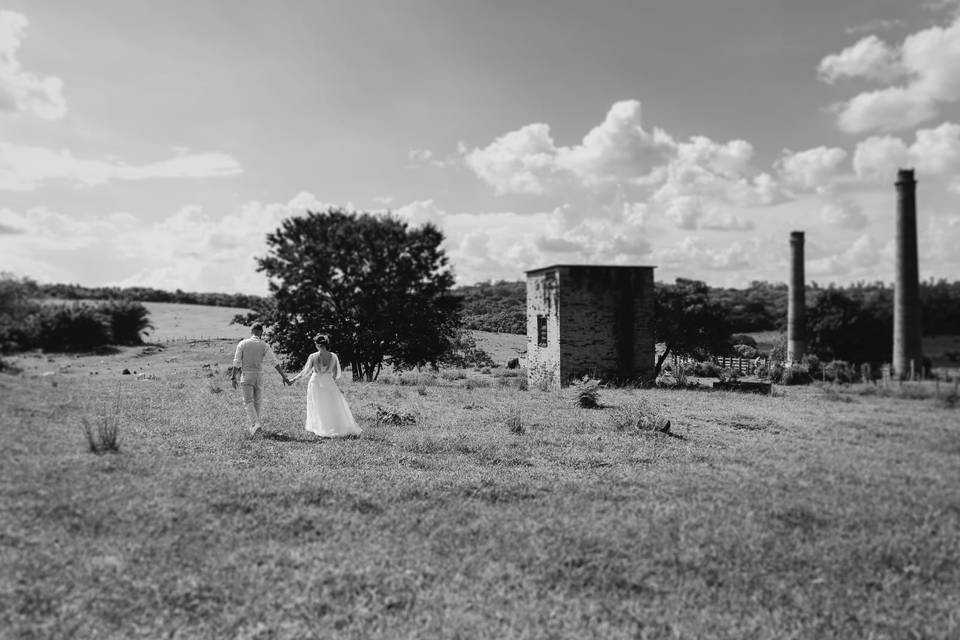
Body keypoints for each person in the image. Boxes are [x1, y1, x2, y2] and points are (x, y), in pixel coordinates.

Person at [287, 334, 361, 438]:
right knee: (331, 404)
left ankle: (320, 427)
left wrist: (293, 379)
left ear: (317, 344)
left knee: (317, 404)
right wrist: (330, 380)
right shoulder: (333, 356)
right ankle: (336, 426)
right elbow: (336, 373)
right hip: (329, 381)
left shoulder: (313, 356)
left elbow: (305, 372)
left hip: (316, 382)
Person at [231, 323, 289, 436]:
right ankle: (255, 428)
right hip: (259, 375)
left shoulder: (243, 343)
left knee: (247, 401)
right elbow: (274, 362)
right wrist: (283, 376)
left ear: (251, 331)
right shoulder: (264, 345)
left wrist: (233, 377)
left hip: (247, 375)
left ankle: (256, 424)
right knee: (257, 402)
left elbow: (237, 361)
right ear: (261, 332)